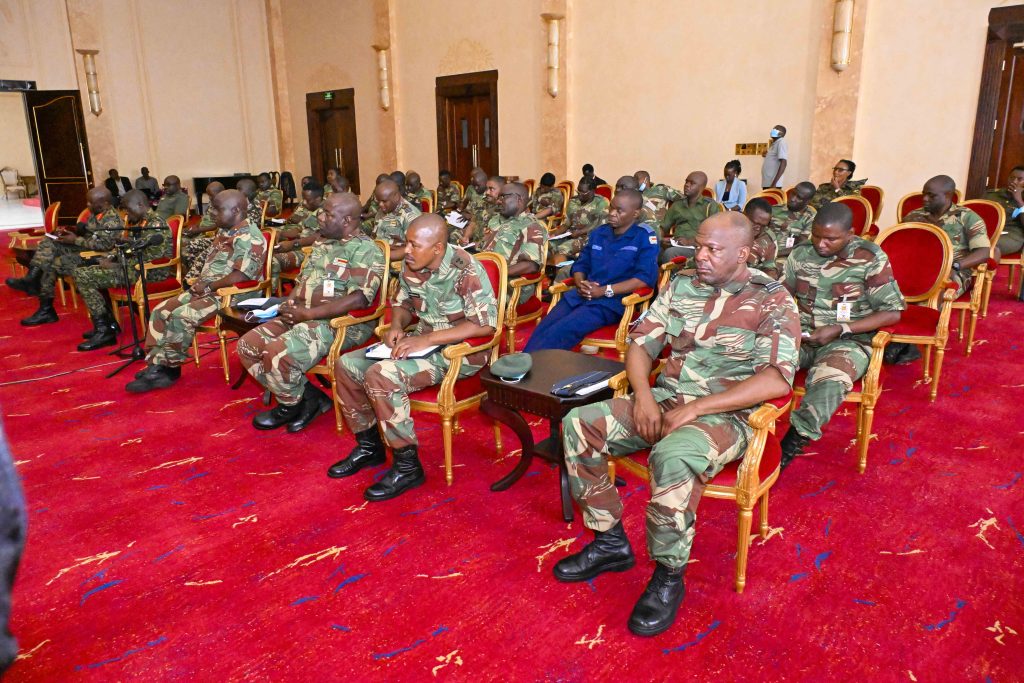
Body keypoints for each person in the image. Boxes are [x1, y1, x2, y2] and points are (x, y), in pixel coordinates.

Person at [556, 211, 800, 637]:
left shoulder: (772, 299)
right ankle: (610, 541)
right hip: (667, 399)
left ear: (742, 253)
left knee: (672, 455)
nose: (699, 256)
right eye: (698, 246)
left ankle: (669, 574)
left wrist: (699, 408)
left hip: (728, 414)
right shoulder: (682, 284)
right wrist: (645, 397)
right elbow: (639, 344)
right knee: (579, 422)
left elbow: (777, 378)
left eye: (712, 249)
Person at [331, 215, 498, 501]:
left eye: (413, 245)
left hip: (458, 350)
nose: (406, 250)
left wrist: (427, 339)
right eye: (407, 243)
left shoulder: (466, 269)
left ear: (438, 248)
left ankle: (407, 466)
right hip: (418, 342)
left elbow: (485, 325)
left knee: (380, 375)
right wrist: (397, 325)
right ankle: (370, 446)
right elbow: (403, 303)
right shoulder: (411, 265)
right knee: (346, 364)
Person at [239, 192, 385, 432]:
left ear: (347, 220)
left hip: (342, 323)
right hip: (303, 314)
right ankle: (308, 398)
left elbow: (358, 299)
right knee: (248, 346)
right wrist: (290, 301)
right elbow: (304, 280)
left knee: (278, 352)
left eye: (328, 213)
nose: (320, 217)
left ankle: (289, 405)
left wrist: (308, 315)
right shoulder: (324, 242)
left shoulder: (365, 250)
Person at [779, 202, 905, 468]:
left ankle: (795, 439)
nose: (821, 244)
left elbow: (892, 313)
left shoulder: (869, 258)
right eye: (816, 235)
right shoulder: (801, 254)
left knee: (831, 378)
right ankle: (745, 430)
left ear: (851, 233)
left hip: (847, 339)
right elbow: (782, 295)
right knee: (758, 361)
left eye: (830, 239)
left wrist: (840, 328)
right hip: (803, 335)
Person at [125, 189, 267, 393]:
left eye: (217, 210)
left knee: (181, 315)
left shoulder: (250, 237)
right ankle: (157, 363)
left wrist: (208, 286)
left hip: (231, 294)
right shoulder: (227, 230)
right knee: (161, 310)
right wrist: (199, 283)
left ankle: (169, 369)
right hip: (207, 289)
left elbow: (240, 277)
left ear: (236, 210)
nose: (212, 214)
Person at [524, 189, 658, 352]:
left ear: (635, 213)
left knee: (566, 328)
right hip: (583, 294)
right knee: (547, 323)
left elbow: (643, 279)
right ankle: (526, 360)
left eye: (619, 211)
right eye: (611, 208)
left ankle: (531, 365)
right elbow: (581, 264)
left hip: (612, 302)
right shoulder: (599, 233)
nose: (612, 214)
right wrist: (581, 283)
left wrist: (603, 291)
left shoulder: (644, 237)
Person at [889, 176, 991, 365]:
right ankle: (892, 335)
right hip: (916, 269)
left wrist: (956, 266)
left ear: (948, 195)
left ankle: (907, 341)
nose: (925, 199)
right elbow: (900, 246)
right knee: (887, 292)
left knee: (935, 294)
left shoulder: (967, 217)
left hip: (954, 271)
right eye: (923, 195)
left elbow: (984, 252)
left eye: (931, 196)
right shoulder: (914, 217)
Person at [6, 186, 124, 326]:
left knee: (52, 263)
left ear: (105, 203)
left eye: (91, 203)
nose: (87, 205)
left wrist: (75, 240)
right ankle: (32, 279)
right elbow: (91, 235)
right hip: (85, 248)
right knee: (50, 242)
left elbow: (105, 246)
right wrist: (72, 232)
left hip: (98, 256)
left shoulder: (112, 220)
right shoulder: (97, 212)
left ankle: (45, 307)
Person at [74, 190, 173, 351]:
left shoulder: (155, 224)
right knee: (84, 269)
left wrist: (117, 265)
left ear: (140, 205)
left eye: (127, 208)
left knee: (84, 276)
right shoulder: (138, 221)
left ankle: (105, 329)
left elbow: (149, 256)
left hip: (149, 272)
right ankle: (108, 324)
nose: (125, 213)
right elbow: (128, 247)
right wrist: (111, 257)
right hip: (133, 267)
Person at [477, 182, 547, 299]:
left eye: (503, 197)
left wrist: (495, 273)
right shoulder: (497, 221)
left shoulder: (531, 225)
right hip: (484, 277)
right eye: (499, 197)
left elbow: (531, 265)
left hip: (509, 286)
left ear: (519, 199)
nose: (498, 201)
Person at [270, 182, 326, 293]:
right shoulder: (314, 211)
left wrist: (293, 244)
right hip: (299, 245)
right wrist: (281, 234)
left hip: (311, 251)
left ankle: (271, 294)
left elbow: (319, 236)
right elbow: (299, 229)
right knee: (267, 253)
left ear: (318, 198)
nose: (304, 203)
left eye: (307, 200)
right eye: (303, 199)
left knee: (273, 261)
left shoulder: (326, 213)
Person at [659, 171, 721, 263]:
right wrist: (661, 240)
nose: (687, 185)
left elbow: (716, 234)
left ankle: (674, 277)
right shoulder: (677, 205)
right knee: (651, 251)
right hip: (676, 244)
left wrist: (690, 242)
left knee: (670, 253)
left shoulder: (710, 206)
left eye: (692, 183)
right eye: (686, 182)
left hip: (697, 248)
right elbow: (663, 227)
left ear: (701, 187)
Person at [550, 177, 609, 268]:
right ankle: (548, 272)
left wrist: (580, 232)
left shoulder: (600, 203)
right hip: (569, 234)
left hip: (588, 237)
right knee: (548, 245)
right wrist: (554, 235)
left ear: (593, 191)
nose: (580, 195)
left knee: (563, 248)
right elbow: (567, 223)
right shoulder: (574, 201)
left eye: (583, 192)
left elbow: (600, 225)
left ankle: (560, 276)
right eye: (578, 191)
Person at [369, 178, 422, 260]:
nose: (380, 204)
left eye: (384, 201)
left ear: (396, 196)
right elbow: (375, 237)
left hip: (396, 262)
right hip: (376, 254)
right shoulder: (383, 210)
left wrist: (384, 257)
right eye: (378, 201)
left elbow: (414, 249)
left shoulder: (410, 216)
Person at [181, 181, 224, 278]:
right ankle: (190, 274)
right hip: (202, 230)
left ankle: (194, 276)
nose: (209, 198)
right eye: (208, 195)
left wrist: (199, 230)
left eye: (211, 195)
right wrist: (195, 226)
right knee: (179, 240)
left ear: (221, 193)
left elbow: (217, 225)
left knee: (185, 249)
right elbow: (204, 217)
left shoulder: (224, 205)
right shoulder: (212, 201)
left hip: (210, 234)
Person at [769, 180, 817, 266]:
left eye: (799, 197)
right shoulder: (774, 209)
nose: (792, 198)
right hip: (763, 252)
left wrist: (773, 254)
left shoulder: (810, 218)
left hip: (786, 258)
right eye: (793, 193)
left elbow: (800, 247)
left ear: (807, 201)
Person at [984, 165, 1024, 256]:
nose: (1014, 181)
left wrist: (1019, 201)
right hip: (988, 231)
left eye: (1019, 179)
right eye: (1012, 178)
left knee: (987, 246)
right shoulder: (992, 195)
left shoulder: (1022, 200)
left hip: (1012, 234)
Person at [744, 198, 779, 278]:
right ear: (744, 215)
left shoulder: (768, 240)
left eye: (763, 226)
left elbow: (770, 269)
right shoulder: (728, 228)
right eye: (755, 223)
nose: (758, 228)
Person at [761, 124, 788, 189]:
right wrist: (766, 155)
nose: (772, 131)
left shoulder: (781, 142)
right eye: (773, 129)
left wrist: (774, 183)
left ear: (780, 134)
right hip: (767, 183)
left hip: (773, 184)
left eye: (775, 130)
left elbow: (784, 163)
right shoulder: (774, 143)